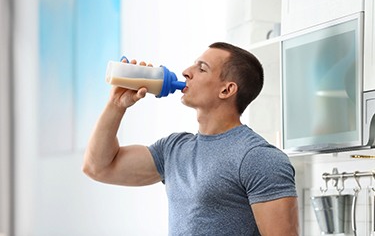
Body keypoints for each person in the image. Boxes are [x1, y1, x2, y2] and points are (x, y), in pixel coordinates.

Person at [83, 42, 299, 235]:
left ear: (226, 89)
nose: (186, 72)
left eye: (202, 68)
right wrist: (116, 105)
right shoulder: (174, 149)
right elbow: (98, 167)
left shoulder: (259, 158)